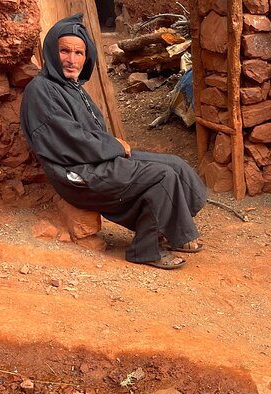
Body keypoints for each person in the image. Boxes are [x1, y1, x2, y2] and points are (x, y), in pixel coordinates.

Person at [20, 14, 207, 270]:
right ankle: (144, 250)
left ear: (86, 58)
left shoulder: (71, 87)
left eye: (78, 53)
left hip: (96, 159)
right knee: (161, 176)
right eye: (64, 51)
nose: (72, 59)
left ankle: (172, 231)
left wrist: (111, 148)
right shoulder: (40, 90)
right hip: (76, 172)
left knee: (176, 165)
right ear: (52, 51)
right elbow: (69, 142)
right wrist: (114, 147)